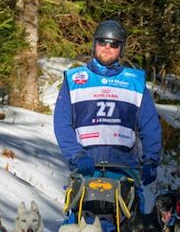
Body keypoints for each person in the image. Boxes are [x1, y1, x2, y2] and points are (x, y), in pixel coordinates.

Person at [53, 19, 162, 189]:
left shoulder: (135, 82)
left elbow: (150, 125)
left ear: (121, 49)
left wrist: (151, 160)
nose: (107, 47)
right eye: (102, 41)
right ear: (94, 44)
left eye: (114, 44)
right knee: (78, 205)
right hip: (86, 166)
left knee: (134, 204)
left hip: (125, 168)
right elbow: (62, 123)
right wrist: (76, 155)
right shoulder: (74, 80)